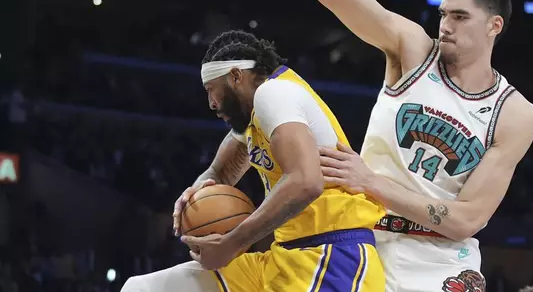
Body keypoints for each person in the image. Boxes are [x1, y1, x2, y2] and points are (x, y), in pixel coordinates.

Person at [310, 0, 533, 291]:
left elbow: (466, 220)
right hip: (366, 234)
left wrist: (370, 182)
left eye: (460, 17)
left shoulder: (514, 113)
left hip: (440, 258)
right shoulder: (413, 48)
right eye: (443, 14)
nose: (446, 26)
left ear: (494, 25)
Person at [121, 30, 386, 292]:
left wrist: (232, 243)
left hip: (332, 257)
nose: (211, 103)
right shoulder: (256, 116)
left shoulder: (274, 93)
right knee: (143, 288)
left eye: (211, 89)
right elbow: (219, 174)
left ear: (236, 76)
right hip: (284, 256)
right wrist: (195, 197)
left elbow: (306, 181)